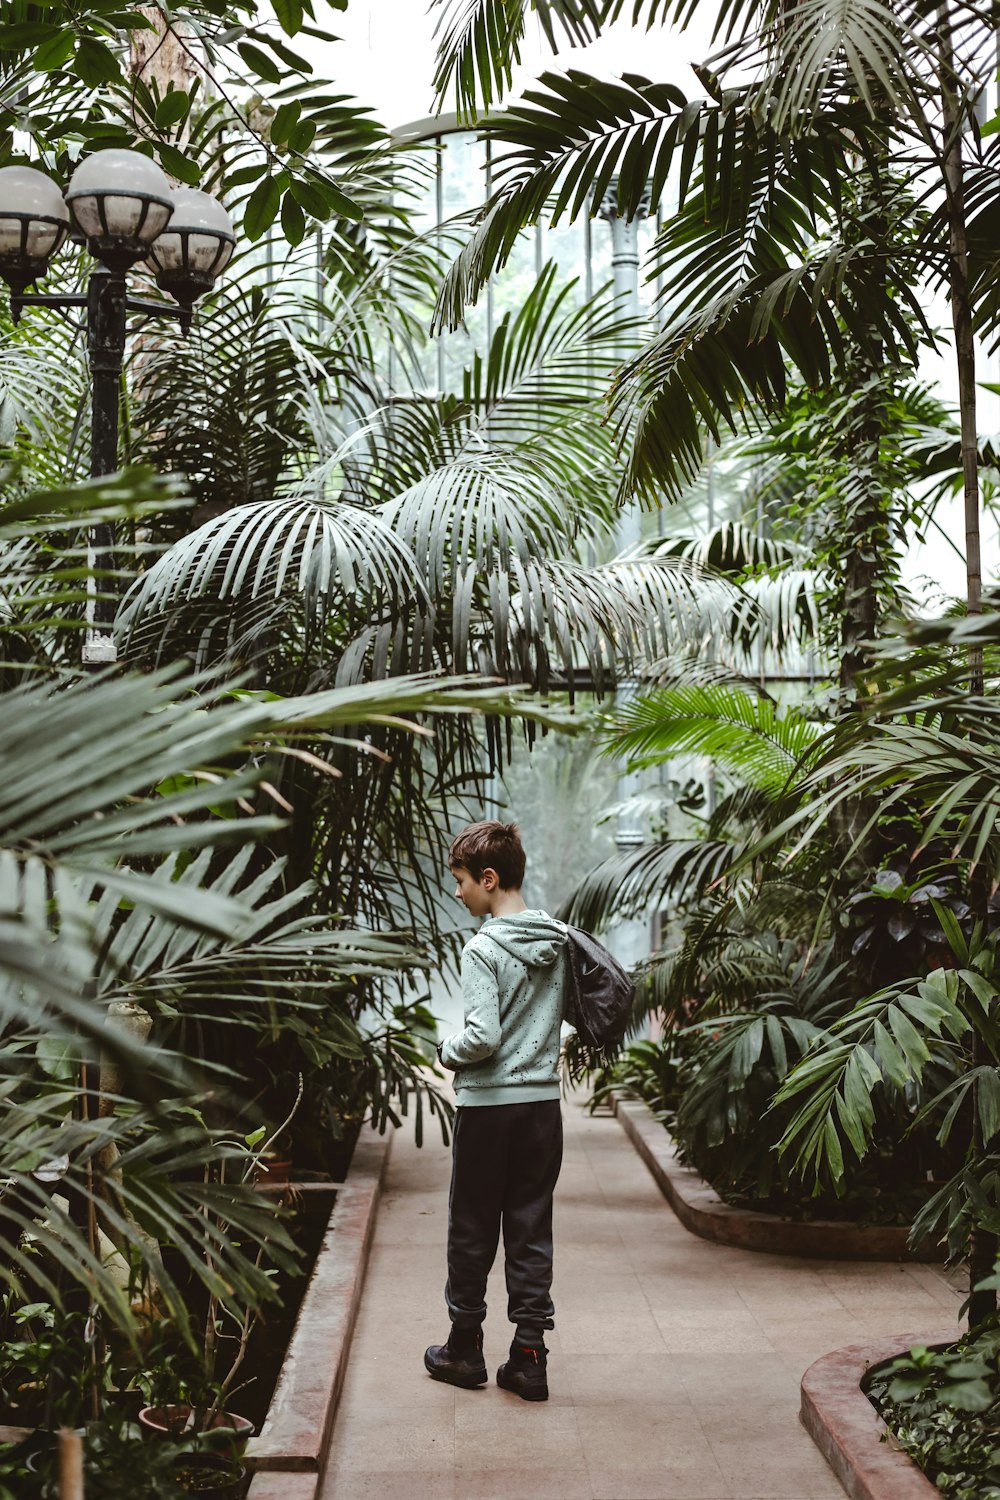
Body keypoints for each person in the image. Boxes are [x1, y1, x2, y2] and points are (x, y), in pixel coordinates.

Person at [424, 820, 567, 1403]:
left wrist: (444, 1051)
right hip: (542, 1109)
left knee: (473, 1225)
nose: (458, 893)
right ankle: (529, 1358)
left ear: (489, 878)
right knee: (531, 1226)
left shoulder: (484, 946)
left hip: (489, 1110)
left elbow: (480, 1037)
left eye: (461, 881)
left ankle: (465, 1348)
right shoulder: (558, 939)